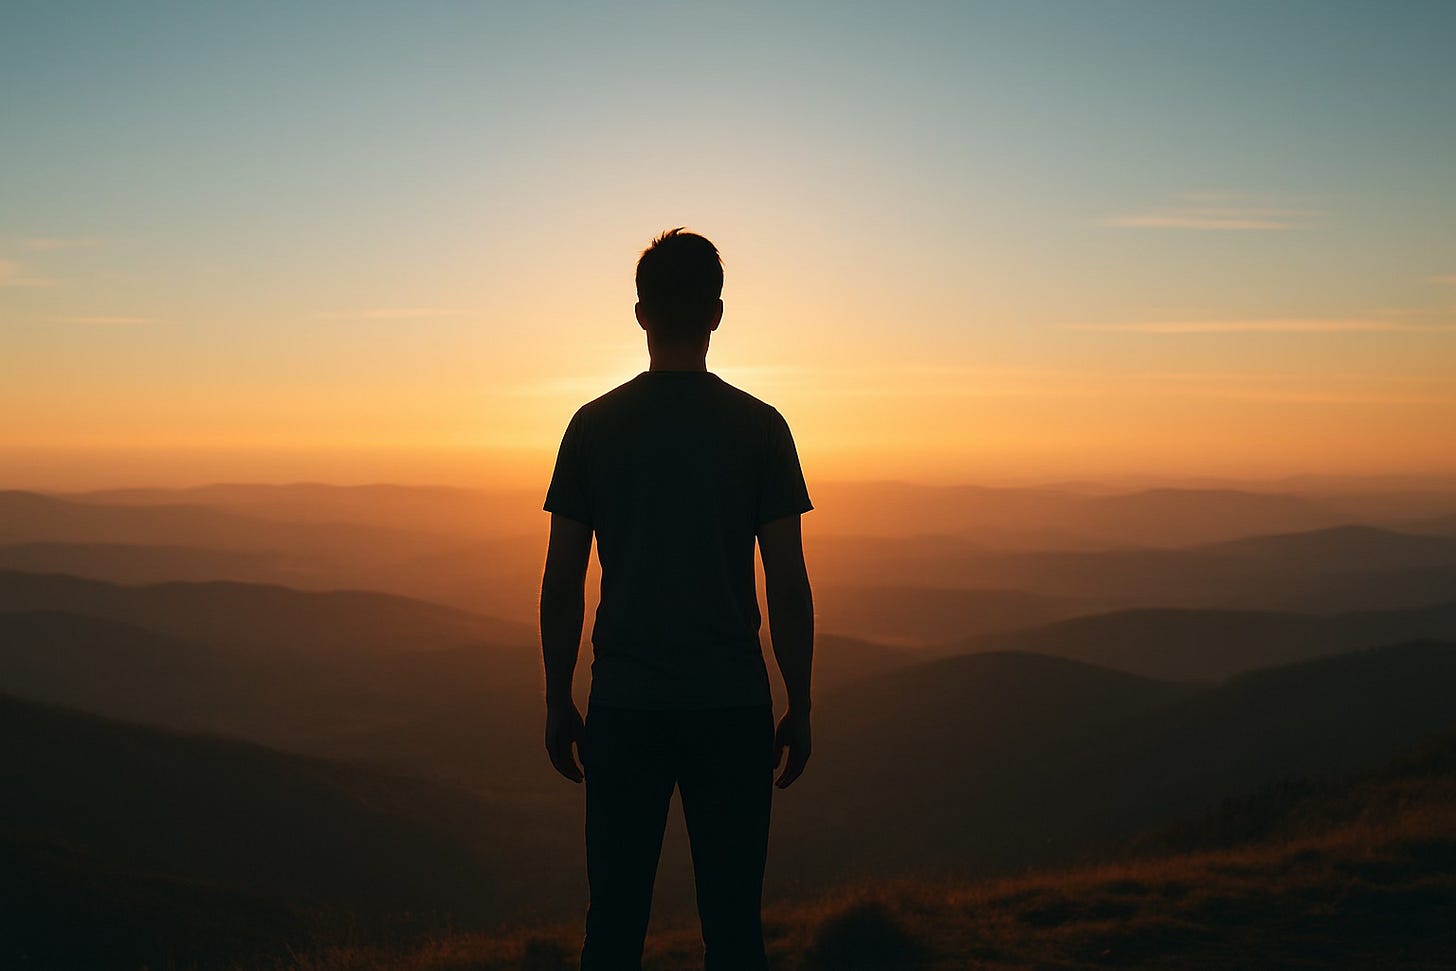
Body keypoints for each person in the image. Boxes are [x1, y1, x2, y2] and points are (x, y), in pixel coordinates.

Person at [540, 228, 815, 971]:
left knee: (615, 925)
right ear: (717, 314)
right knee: (733, 927)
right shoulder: (761, 428)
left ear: (640, 314)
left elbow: (564, 581)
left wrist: (557, 696)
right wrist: (802, 700)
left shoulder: (592, 427)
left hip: (625, 705)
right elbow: (786, 582)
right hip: (732, 706)